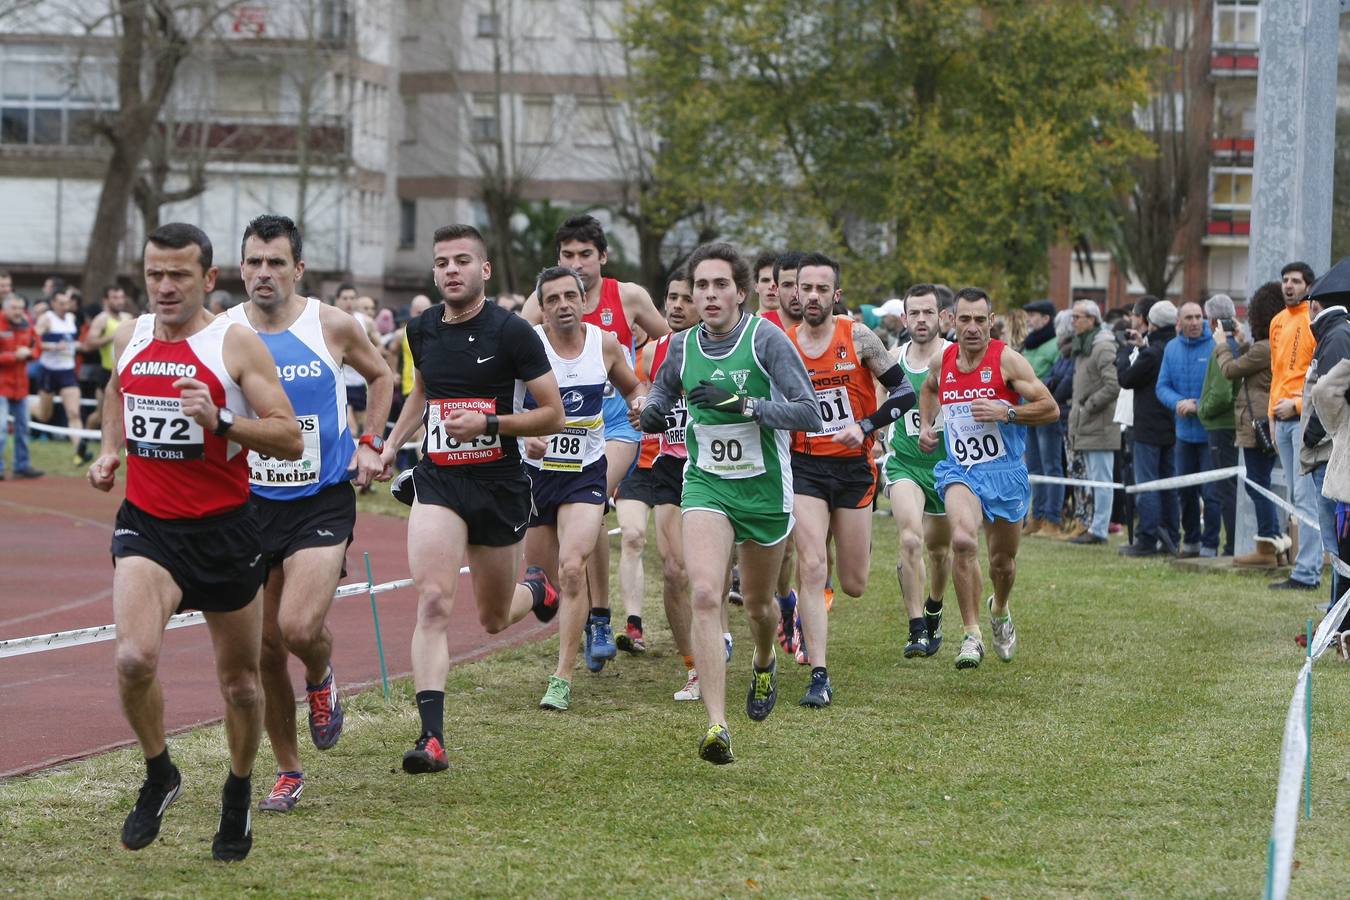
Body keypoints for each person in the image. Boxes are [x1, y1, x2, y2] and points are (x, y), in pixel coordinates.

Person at [87, 222, 304, 861]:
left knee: (239, 684)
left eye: (179, 274)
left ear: (209, 278)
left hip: (226, 531)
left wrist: (221, 420)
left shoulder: (232, 345)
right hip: (148, 526)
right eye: (154, 274)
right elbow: (115, 395)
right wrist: (108, 452)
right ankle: (161, 772)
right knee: (132, 660)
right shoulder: (130, 336)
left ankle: (237, 791)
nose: (164, 286)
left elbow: (289, 435)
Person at [378, 225, 565, 774]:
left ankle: (535, 587)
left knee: (491, 617)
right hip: (438, 479)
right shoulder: (421, 329)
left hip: (498, 486)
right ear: (434, 273)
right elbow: (423, 390)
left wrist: (490, 422)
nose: (450, 270)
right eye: (442, 262)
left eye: (462, 260)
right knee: (434, 600)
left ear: (484, 271)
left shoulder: (512, 333)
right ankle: (431, 738)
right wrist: (391, 444)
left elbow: (551, 412)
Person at [225, 215, 393, 813]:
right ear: (239, 268)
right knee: (264, 649)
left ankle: (320, 677)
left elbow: (382, 375)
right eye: (253, 262)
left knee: (298, 630)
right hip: (249, 503)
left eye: (275, 263)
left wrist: (372, 442)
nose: (263, 273)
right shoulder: (223, 332)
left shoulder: (331, 324)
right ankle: (289, 769)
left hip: (321, 499)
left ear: (298, 269)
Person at [638, 242, 820, 763]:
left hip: (763, 489)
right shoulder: (681, 346)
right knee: (703, 593)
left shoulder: (767, 340)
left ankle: (765, 661)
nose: (710, 294)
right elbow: (663, 392)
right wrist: (652, 412)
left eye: (721, 285)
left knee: (760, 606)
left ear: (742, 292)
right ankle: (717, 725)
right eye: (701, 286)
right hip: (707, 484)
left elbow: (808, 413)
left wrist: (743, 405)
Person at [520, 215, 669, 664]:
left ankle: (600, 614)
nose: (577, 263)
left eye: (586, 254)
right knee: (568, 534)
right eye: (568, 255)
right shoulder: (543, 299)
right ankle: (580, 605)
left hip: (615, 421)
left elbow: (671, 348)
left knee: (594, 495)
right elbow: (513, 342)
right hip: (560, 421)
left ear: (602, 256)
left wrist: (646, 388)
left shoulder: (630, 296)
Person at [786, 252, 916, 706]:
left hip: (854, 468)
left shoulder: (858, 336)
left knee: (854, 582)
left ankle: (843, 558)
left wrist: (864, 426)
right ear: (796, 292)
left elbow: (905, 392)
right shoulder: (781, 343)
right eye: (807, 288)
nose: (815, 296)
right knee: (812, 565)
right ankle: (818, 673)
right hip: (804, 468)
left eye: (824, 289)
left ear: (835, 294)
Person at [917, 288, 1059, 669]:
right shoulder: (941, 360)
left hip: (1004, 473)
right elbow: (928, 389)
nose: (973, 327)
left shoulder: (1007, 361)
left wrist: (1006, 412)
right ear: (952, 321)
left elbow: (1050, 408)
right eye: (965, 319)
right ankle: (971, 634)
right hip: (960, 470)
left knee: (1002, 563)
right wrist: (927, 426)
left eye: (980, 320)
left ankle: (999, 609)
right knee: (962, 541)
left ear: (991, 321)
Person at [523, 266, 643, 710]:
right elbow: (500, 401)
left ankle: (562, 677)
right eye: (552, 299)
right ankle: (556, 607)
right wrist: (522, 433)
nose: (563, 305)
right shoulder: (526, 346)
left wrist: (639, 407)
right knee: (541, 587)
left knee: (573, 568)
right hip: (536, 474)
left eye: (570, 296)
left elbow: (634, 388)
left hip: (585, 471)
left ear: (583, 300)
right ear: (542, 307)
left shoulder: (603, 344)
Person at [612, 269, 694, 666]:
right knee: (631, 537)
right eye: (671, 297)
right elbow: (635, 396)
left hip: (693, 466)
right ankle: (633, 625)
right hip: (644, 464)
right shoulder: (647, 353)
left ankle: (719, 629)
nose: (676, 305)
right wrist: (638, 410)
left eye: (686, 298)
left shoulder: (716, 350)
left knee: (686, 564)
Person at [881, 284, 952, 658]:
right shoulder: (892, 359)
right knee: (911, 540)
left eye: (929, 312)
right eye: (915, 313)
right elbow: (880, 407)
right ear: (904, 318)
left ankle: (934, 606)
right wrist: (877, 437)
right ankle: (916, 628)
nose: (921, 320)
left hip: (946, 468)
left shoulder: (955, 358)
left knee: (941, 551)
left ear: (942, 317)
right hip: (904, 463)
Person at [1216, 283, 1284, 566]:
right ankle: (1276, 544)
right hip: (1265, 421)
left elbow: (1230, 369)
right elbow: (1252, 360)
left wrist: (1222, 344)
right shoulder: (1271, 345)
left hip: (1256, 423)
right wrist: (1243, 341)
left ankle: (1268, 544)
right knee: (1261, 482)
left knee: (1257, 485)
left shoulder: (1263, 348)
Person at [1267, 262, 1320, 589]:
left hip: (1304, 419)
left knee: (1305, 499)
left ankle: (1307, 573)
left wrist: (1298, 405)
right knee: (1295, 497)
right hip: (1281, 420)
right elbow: (1277, 374)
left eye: (1296, 281)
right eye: (1285, 280)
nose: (1288, 285)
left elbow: (1320, 377)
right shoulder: (1277, 321)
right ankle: (1304, 568)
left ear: (1308, 286)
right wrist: (1272, 416)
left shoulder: (1314, 321)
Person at [1156, 301, 1219, 557]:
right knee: (1185, 490)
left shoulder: (1216, 345)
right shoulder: (1171, 348)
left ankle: (1210, 544)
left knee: (1211, 492)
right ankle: (1191, 541)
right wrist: (1178, 402)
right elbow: (1162, 386)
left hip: (1210, 431)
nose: (1194, 322)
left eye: (1198, 317)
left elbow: (1222, 389)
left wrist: (1199, 406)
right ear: (1178, 323)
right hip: (1183, 434)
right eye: (1189, 318)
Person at [1117, 299, 1179, 557]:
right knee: (1168, 483)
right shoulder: (1173, 348)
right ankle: (1171, 536)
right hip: (1171, 424)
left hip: (1148, 425)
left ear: (1151, 322)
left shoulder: (1152, 353)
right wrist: (1144, 345)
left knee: (1147, 484)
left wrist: (1123, 353)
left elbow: (1127, 379)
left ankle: (1148, 538)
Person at [1065, 300, 1121, 545]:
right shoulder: (1084, 347)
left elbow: (1113, 385)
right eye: (1073, 317)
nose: (1073, 321)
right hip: (1085, 424)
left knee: (1101, 480)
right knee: (1092, 480)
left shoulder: (1102, 346)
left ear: (1091, 319)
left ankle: (1099, 529)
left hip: (1099, 424)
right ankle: (1092, 525)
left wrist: (1088, 406)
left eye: (1078, 317)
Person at [1197, 294, 1239, 557]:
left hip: (1222, 426)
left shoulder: (1224, 347)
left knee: (1226, 489)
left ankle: (1232, 545)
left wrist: (1202, 409)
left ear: (1212, 320)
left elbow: (1222, 393)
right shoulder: (1236, 344)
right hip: (1228, 424)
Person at [1020, 300, 1063, 535]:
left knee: (1051, 466)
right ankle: (1036, 516)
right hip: (1027, 413)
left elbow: (1057, 378)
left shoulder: (1056, 344)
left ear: (1046, 319)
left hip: (1047, 413)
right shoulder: (1029, 344)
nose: (1029, 319)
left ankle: (1052, 518)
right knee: (1034, 466)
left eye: (1033, 315)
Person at [33, 287, 84, 448]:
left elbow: (71, 341)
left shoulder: (71, 317)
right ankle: (25, 405)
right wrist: (54, 346)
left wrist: (75, 345)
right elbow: (33, 342)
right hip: (49, 371)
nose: (65, 306)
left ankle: (79, 450)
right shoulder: (46, 319)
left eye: (67, 303)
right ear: (53, 303)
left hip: (67, 371)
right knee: (44, 415)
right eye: (61, 303)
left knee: (74, 413)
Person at [0, 295, 43, 478]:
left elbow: (37, 347)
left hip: (21, 386)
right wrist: (13, 356)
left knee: (23, 427)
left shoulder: (27, 324)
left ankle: (22, 465)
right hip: (2, 385)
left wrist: (30, 354)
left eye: (21, 308)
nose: (18, 311)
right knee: (1, 428)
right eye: (14, 308)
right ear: (5, 309)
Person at [752, 251, 783, 328]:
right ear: (756, 286)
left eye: (777, 280)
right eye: (765, 280)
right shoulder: (743, 328)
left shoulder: (801, 330)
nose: (772, 285)